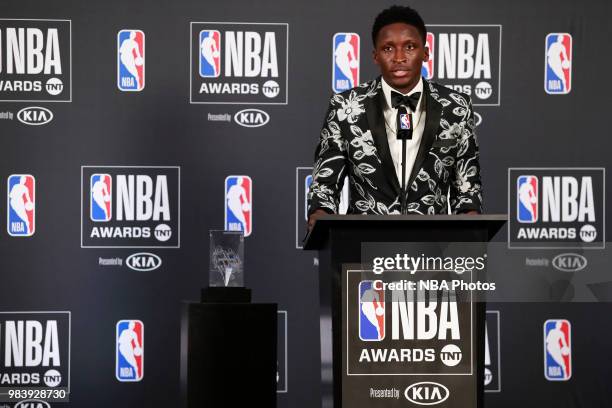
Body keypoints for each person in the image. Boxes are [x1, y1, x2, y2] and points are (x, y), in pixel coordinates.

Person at [308, 5, 482, 229]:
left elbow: (467, 185)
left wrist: (469, 216)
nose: (399, 58)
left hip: (433, 247)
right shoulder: (346, 106)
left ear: (426, 52)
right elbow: (325, 183)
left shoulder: (456, 106)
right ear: (375, 56)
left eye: (409, 47)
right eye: (388, 49)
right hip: (361, 246)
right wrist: (320, 212)